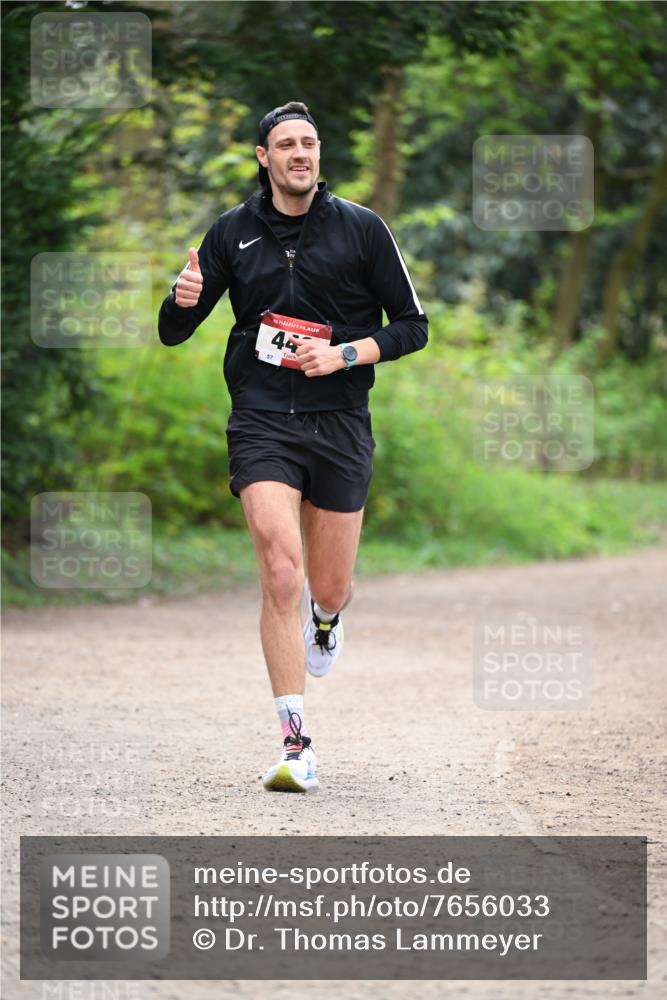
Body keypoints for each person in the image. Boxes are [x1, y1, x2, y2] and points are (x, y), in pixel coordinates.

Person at [158, 101, 428, 793]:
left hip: (339, 421)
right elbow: (172, 331)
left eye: (309, 142)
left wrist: (345, 354)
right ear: (263, 157)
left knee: (326, 586)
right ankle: (295, 745)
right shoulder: (232, 233)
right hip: (261, 418)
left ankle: (327, 620)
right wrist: (183, 298)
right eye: (286, 144)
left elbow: (412, 326)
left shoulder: (362, 229)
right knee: (280, 571)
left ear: (318, 155)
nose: (300, 153)